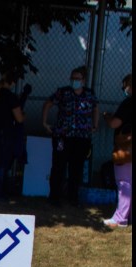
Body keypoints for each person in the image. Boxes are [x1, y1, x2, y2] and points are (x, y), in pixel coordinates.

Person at [42, 66, 99, 206]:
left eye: (78, 79)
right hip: (62, 135)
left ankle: (73, 197)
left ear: (84, 80)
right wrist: (44, 122)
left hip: (81, 137)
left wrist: (95, 125)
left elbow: (96, 108)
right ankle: (54, 197)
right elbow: (48, 103)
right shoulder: (63, 92)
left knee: (76, 168)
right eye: (72, 78)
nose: (74, 81)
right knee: (58, 167)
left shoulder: (89, 94)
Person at [0, 73, 27, 200]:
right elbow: (19, 118)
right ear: (13, 82)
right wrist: (24, 115)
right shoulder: (10, 96)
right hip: (5, 134)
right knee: (3, 165)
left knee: (0, 163)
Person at [102, 74, 132, 228]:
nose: (123, 89)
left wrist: (107, 117)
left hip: (127, 148)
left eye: (124, 85)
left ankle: (120, 218)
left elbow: (115, 123)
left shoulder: (128, 103)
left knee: (124, 182)